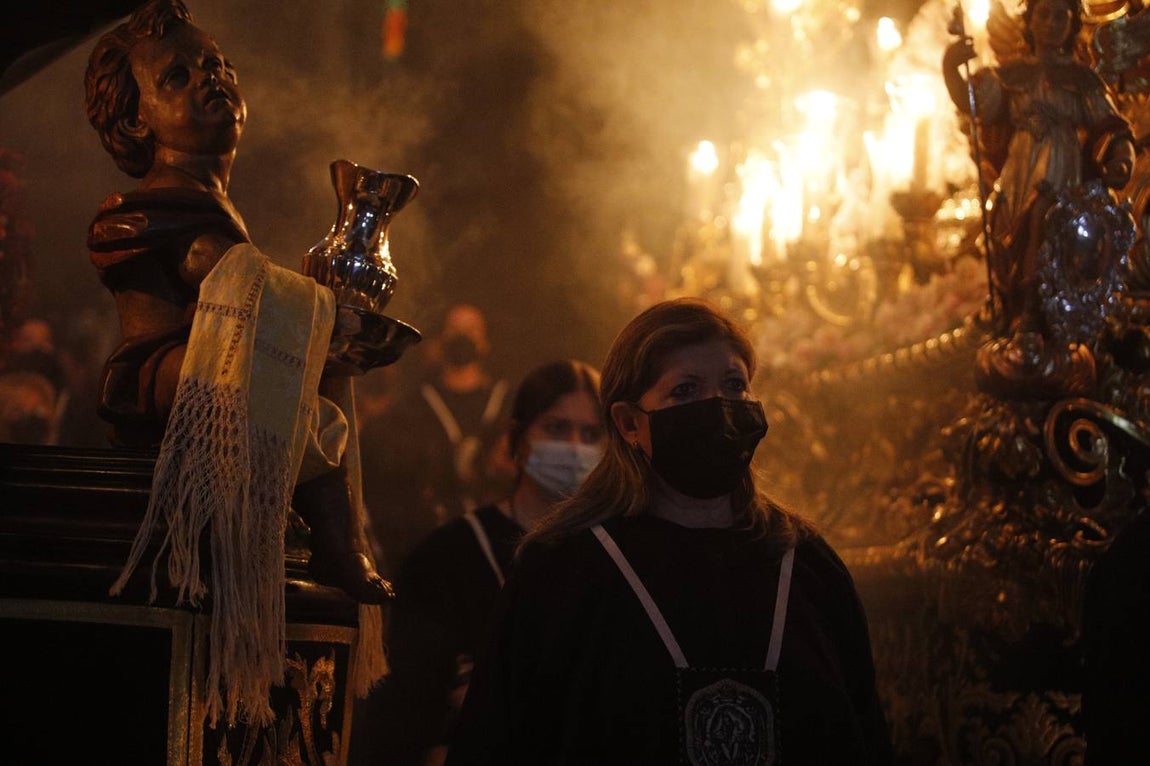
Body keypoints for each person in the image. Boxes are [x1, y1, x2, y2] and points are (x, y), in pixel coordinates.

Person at [83, 0, 388, 725]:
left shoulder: (214, 204)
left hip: (220, 370)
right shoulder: (148, 207)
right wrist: (314, 302)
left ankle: (338, 544)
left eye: (217, 65)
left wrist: (316, 306)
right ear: (135, 122)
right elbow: (223, 280)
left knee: (313, 386)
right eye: (179, 76)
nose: (209, 80)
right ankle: (338, 544)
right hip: (162, 376)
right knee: (277, 365)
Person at [445, 297, 894, 765]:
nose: (718, 408)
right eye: (685, 390)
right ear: (629, 423)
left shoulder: (807, 567)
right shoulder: (565, 572)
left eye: (734, 385)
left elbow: (864, 737)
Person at [351, 359, 605, 766]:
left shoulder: (612, 559)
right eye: (557, 428)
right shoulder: (449, 557)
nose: (574, 447)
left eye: (591, 434)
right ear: (517, 438)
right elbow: (410, 708)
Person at [942, 0, 1134, 335]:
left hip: (1062, 170)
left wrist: (1121, 158)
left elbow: (1111, 127)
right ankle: (1014, 306)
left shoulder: (1083, 80)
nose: (1051, 23)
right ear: (1029, 21)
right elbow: (974, 105)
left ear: (1073, 23)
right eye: (1044, 14)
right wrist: (950, 68)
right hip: (1017, 171)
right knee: (1005, 228)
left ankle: (1036, 310)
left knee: (1045, 217)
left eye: (1061, 15)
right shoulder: (1011, 76)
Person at [362, 302, 512, 575]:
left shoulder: (505, 405)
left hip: (497, 545)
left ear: (485, 341)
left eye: (471, 329)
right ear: (442, 339)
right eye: (455, 329)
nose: (462, 336)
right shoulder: (416, 406)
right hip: (434, 545)